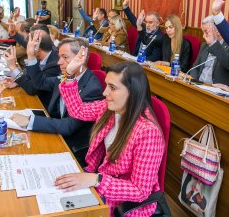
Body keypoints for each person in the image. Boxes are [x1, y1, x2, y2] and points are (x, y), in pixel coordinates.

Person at [55, 54, 164, 216]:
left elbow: (141, 191)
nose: (105, 92)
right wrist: (70, 76)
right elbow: (78, 110)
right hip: (102, 183)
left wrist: (96, 180)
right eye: (106, 85)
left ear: (132, 92)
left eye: (112, 87)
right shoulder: (109, 109)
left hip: (124, 203)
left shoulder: (148, 132)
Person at [10, 38, 103, 158]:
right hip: (55, 129)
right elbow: (40, 83)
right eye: (59, 57)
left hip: (71, 143)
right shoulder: (65, 76)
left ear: (81, 58)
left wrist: (30, 120)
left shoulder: (92, 88)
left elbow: (69, 126)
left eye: (65, 57)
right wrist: (31, 56)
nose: (59, 62)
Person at [4, 24, 60, 107]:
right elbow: (30, 76)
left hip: (45, 107)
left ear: (37, 48)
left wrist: (13, 68)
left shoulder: (55, 63)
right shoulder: (43, 52)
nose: (27, 50)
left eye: (29, 47)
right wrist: (18, 82)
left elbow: (32, 89)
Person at [189, 15, 229, 88]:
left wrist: (214, 45)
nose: (203, 36)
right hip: (199, 86)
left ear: (218, 32)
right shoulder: (204, 45)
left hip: (217, 91)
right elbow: (195, 67)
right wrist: (193, 81)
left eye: (206, 32)